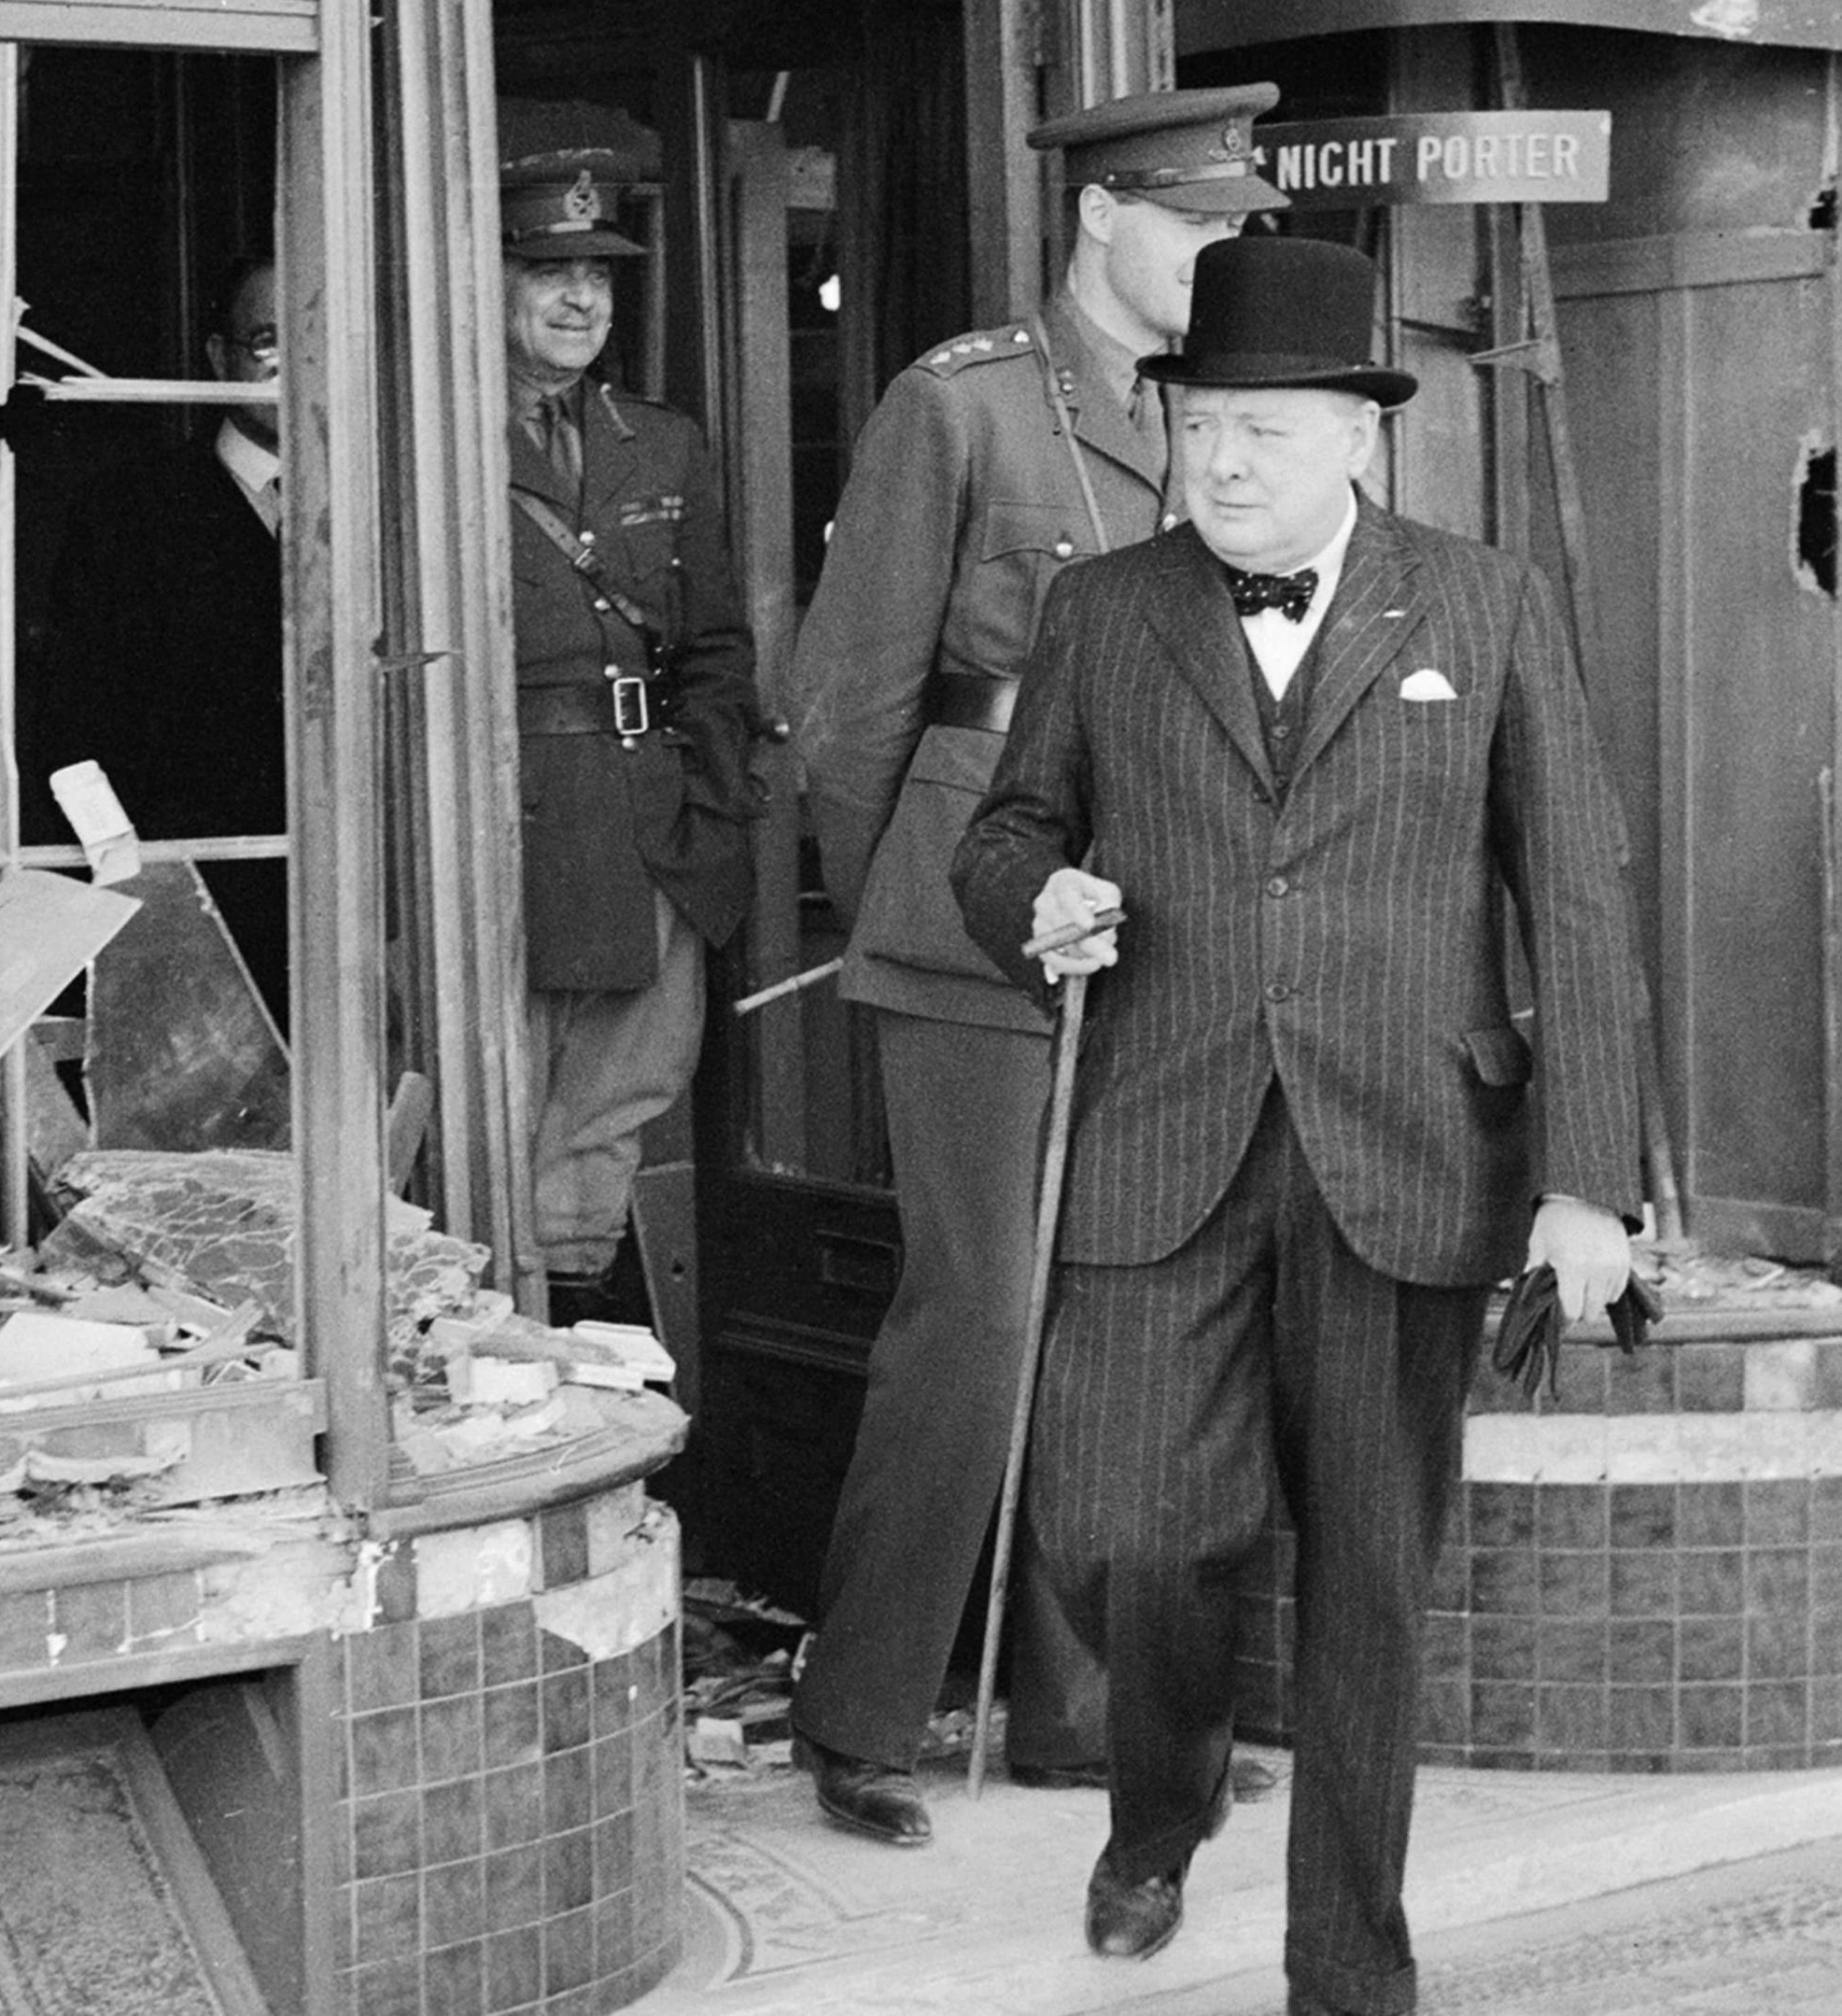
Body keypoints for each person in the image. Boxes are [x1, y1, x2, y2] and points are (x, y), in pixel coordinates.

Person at [950, 234, 1645, 2011]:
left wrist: (1590, 1182)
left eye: (1264, 428)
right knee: (1125, 1526)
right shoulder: (1108, 610)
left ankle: (1352, 1961)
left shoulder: (1483, 606)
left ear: (1358, 435)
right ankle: (1159, 1797)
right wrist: (1035, 901)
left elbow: (1573, 895)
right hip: (1161, 1136)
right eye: (1200, 427)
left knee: (1368, 1586)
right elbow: (1005, 831)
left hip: (1411, 1153)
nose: (1224, 462)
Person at [783, 81, 1285, 1851]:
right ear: (1101, 219)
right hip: (967, 919)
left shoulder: (1233, 417)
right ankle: (861, 1705)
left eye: (1244, 229)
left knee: (1126, 1321)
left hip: (1162, 930)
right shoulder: (968, 401)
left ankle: (1082, 1709)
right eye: (1203, 227)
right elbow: (845, 701)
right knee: (980, 1317)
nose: (1229, 257)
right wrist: (905, 904)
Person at [500, 150, 767, 1323]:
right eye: (546, 271)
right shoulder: (425, 437)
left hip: (648, 813)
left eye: (597, 275)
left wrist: (712, 801)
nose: (580, 299)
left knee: (617, 1108)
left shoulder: (657, 441)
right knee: (497, 1113)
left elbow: (715, 644)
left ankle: (570, 1325)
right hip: (509, 818)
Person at [35, 257, 292, 1008]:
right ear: (218, 358)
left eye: (315, 335)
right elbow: (70, 728)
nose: (295, 364)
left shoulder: (388, 497)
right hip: (194, 901)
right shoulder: (128, 513)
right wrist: (123, 877)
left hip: (361, 901)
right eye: (267, 339)